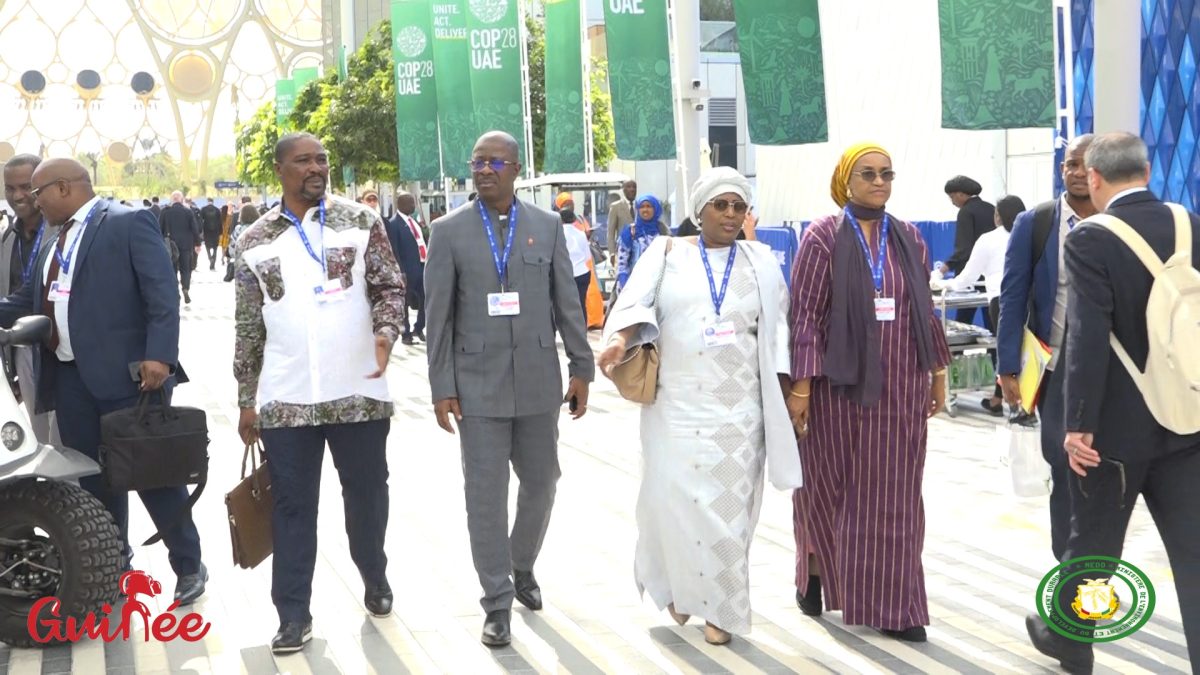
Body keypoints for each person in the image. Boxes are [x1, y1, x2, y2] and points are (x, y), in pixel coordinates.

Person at [598, 166, 801, 646]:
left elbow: (780, 331)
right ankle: (680, 591)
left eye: (738, 206)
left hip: (740, 412)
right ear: (699, 210)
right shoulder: (664, 254)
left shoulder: (762, 261)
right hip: (676, 409)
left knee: (729, 514)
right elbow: (633, 307)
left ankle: (724, 611)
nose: (731, 215)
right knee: (674, 507)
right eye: (721, 205)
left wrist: (794, 394)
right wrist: (617, 341)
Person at [1025, 131, 1200, 674]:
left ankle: (1073, 638)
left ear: (1095, 178)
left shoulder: (1091, 238)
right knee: (1193, 552)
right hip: (1187, 417)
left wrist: (1077, 426)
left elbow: (1088, 341)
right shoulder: (1187, 223)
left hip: (1115, 433)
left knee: (1096, 543)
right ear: (1145, 172)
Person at [0, 158, 206, 604]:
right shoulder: (56, 239)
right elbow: (28, 298)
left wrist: (160, 356)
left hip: (131, 379)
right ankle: (115, 565)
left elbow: (161, 292)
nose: (31, 202)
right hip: (72, 380)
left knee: (154, 475)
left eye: (37, 194)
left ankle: (188, 565)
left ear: (62, 188)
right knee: (95, 480)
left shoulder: (128, 222)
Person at [233, 132, 405, 654]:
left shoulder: (360, 221)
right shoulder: (254, 238)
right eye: (303, 160)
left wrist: (386, 332)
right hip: (286, 399)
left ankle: (373, 574)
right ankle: (292, 614)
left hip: (358, 393)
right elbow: (248, 325)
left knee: (367, 494)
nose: (316, 167)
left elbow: (389, 286)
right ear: (280, 169)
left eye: (322, 158)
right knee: (291, 507)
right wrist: (246, 398)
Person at [424, 130, 595, 648]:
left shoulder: (546, 226)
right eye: (476, 162)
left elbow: (568, 302)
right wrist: (441, 385)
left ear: (516, 168)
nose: (483, 170)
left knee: (542, 483)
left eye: (494, 162)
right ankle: (497, 601)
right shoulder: (448, 230)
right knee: (485, 498)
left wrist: (581, 368)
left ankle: (522, 565)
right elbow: (438, 317)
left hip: (541, 384)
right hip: (476, 389)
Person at [789, 143, 951, 642]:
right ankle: (814, 573)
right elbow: (807, 316)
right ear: (846, 179)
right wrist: (800, 390)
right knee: (827, 490)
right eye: (868, 174)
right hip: (836, 392)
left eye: (887, 174)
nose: (879, 182)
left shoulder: (909, 238)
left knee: (896, 498)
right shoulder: (821, 237)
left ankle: (897, 606)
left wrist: (938, 374)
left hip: (901, 389)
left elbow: (924, 310)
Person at [997, 134, 1097, 562]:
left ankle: (1097, 565)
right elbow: (1012, 296)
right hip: (1054, 372)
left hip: (1114, 376)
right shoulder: (1035, 224)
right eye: (1070, 164)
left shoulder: (1117, 221)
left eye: (1085, 165)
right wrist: (1007, 368)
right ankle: (1070, 567)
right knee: (1063, 466)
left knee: (1102, 473)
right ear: (1062, 169)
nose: (1076, 172)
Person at [934, 194, 1027, 415]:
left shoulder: (989, 240)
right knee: (1025, 352)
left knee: (1006, 353)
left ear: (998, 216)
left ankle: (1012, 406)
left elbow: (966, 279)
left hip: (1000, 300)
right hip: (1028, 300)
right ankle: (1008, 401)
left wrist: (940, 283)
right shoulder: (1029, 234)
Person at [0, 154, 60, 443]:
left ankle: (71, 490)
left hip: (61, 352)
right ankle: (48, 490)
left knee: (67, 440)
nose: (17, 195)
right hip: (23, 350)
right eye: (10, 188)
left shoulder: (64, 232)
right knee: (38, 438)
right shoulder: (7, 239)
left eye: (25, 186)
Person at [940, 175, 996, 325]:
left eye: (952, 197)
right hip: (991, 275)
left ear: (961, 194)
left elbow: (964, 249)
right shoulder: (992, 209)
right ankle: (993, 350)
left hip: (972, 276)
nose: (952, 202)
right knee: (992, 322)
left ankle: (959, 349)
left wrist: (943, 269)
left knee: (963, 321)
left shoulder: (965, 212)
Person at [385, 190, 427, 345]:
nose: (413, 205)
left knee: (426, 300)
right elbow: (394, 250)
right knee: (405, 304)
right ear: (401, 204)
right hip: (406, 271)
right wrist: (400, 271)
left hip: (421, 266)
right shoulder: (393, 223)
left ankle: (419, 327)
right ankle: (406, 334)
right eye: (410, 202)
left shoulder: (413, 221)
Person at [616, 195, 669, 291]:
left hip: (660, 286)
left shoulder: (663, 231)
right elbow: (622, 264)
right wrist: (625, 286)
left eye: (649, 206)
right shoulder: (630, 232)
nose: (645, 210)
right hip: (635, 286)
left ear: (656, 208)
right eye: (642, 207)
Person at [159, 191, 201, 303]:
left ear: (172, 199)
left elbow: (159, 229)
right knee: (186, 268)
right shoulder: (188, 211)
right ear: (181, 200)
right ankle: (185, 288)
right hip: (186, 245)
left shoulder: (165, 212)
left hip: (170, 246)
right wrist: (198, 243)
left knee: (171, 269)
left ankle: (174, 292)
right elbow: (194, 229)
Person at [559, 206, 592, 314]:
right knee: (581, 304)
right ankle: (582, 329)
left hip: (565, 274)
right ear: (574, 219)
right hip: (583, 273)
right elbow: (588, 256)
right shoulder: (581, 234)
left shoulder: (557, 234)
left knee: (566, 306)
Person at [607, 179, 638, 263]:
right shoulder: (615, 207)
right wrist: (612, 253)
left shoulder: (641, 205)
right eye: (629, 187)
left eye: (634, 187)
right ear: (623, 189)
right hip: (622, 251)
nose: (632, 189)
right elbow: (611, 233)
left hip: (639, 251)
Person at [199, 197, 222, 270]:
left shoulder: (203, 209)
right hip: (215, 231)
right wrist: (220, 231)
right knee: (215, 247)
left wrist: (200, 231)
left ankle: (210, 258)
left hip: (207, 231)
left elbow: (200, 221)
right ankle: (213, 262)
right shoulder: (217, 210)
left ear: (207, 201)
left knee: (207, 246)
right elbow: (220, 221)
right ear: (213, 202)